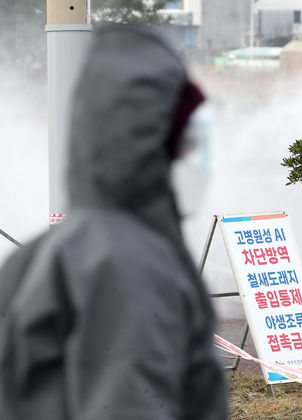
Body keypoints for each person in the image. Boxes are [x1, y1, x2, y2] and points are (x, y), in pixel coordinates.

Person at [0, 25, 227, 419]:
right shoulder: (128, 262)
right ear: (152, 145)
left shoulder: (44, 252)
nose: (200, 159)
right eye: (189, 139)